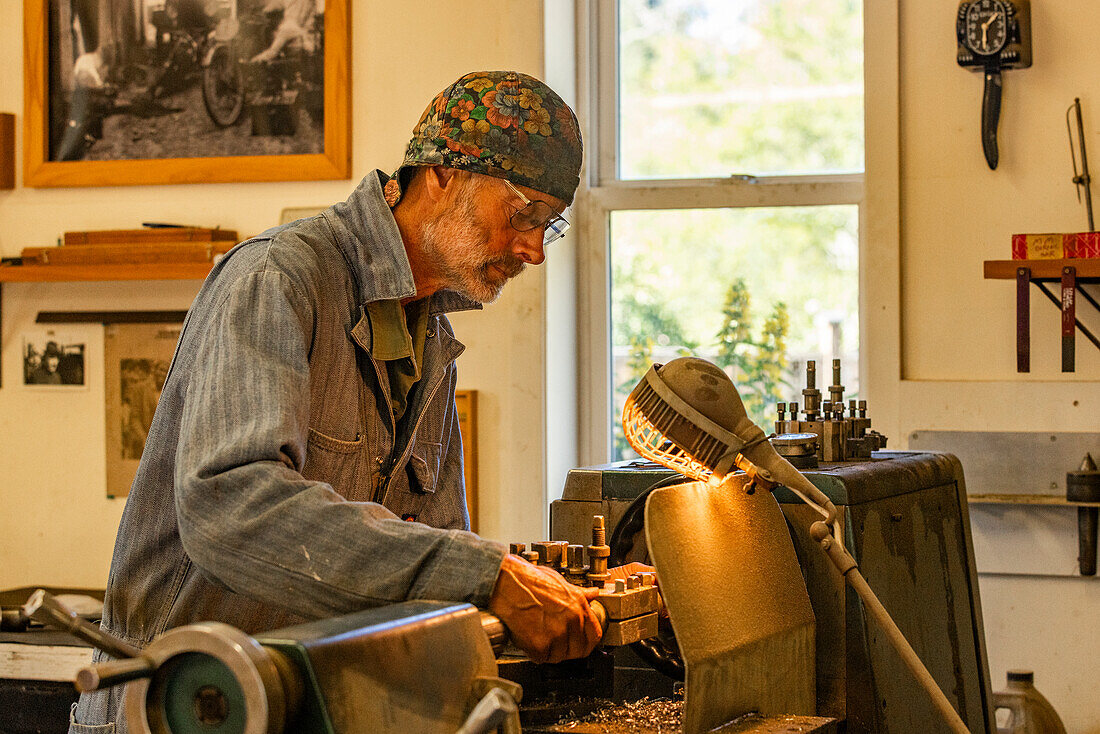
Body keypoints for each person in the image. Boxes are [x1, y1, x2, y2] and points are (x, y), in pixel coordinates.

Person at [71, 71, 609, 732]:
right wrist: (479, 573)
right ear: (440, 173)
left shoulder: (428, 339)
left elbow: (427, 557)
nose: (532, 249)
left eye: (547, 228)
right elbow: (232, 505)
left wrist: (551, 585)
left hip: (298, 713)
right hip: (177, 711)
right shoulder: (278, 279)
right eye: (523, 214)